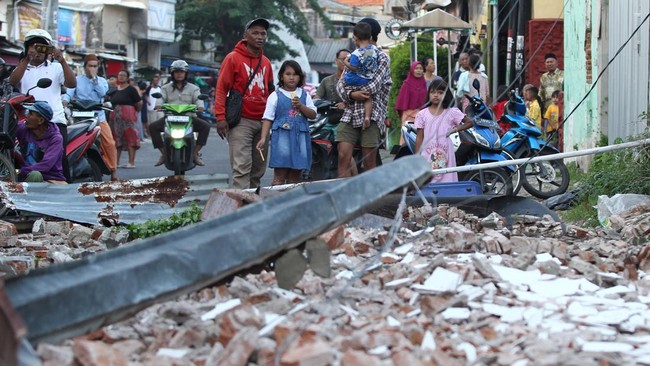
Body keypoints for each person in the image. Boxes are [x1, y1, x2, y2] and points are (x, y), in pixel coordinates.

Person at [8, 29, 76, 182]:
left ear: (48, 50)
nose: (36, 50)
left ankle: (65, 189)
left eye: (40, 47)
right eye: (32, 46)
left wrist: (62, 61)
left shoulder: (56, 67)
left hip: (55, 120)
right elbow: (12, 82)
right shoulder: (22, 68)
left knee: (60, 158)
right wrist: (25, 60)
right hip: (29, 120)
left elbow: (71, 83)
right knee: (21, 154)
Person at [214, 18, 275, 189]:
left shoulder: (266, 62)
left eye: (263, 33)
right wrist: (220, 117)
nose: (260, 37)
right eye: (255, 33)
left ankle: (251, 207)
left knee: (258, 170)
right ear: (245, 36)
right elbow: (221, 89)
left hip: (263, 122)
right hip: (241, 121)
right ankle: (240, 210)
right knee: (242, 168)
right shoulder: (232, 58)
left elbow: (271, 93)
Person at [336, 17, 391, 178]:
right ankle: (343, 198)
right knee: (343, 155)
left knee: (369, 162)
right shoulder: (354, 55)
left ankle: (371, 201)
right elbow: (340, 86)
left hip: (372, 115)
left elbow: (373, 87)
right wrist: (352, 94)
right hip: (350, 113)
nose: (355, 37)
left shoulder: (382, 57)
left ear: (369, 35)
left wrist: (353, 92)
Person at [256, 60, 316, 185]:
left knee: (295, 177)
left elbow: (313, 115)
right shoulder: (275, 95)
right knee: (279, 176)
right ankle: (276, 201)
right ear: (281, 76)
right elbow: (268, 118)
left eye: (295, 74)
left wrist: (301, 106)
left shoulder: (305, 95)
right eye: (288, 74)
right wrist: (263, 138)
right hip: (282, 139)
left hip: (300, 139)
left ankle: (291, 202)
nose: (292, 77)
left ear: (300, 77)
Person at [63, 54, 118, 181]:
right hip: (79, 118)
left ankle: (113, 171)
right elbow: (68, 94)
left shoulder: (102, 81)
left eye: (95, 66)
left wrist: (94, 79)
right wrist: (65, 101)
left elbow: (102, 93)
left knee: (109, 142)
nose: (92, 68)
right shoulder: (76, 80)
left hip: (98, 116)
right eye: (90, 66)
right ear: (84, 67)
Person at [149, 59, 211, 166]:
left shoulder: (194, 88)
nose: (179, 74)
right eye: (176, 72)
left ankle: (195, 153)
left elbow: (198, 98)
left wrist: (200, 106)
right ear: (172, 73)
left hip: (189, 118)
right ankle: (163, 153)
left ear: (186, 73)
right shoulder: (165, 88)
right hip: (170, 117)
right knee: (152, 127)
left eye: (181, 72)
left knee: (206, 126)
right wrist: (158, 105)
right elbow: (161, 97)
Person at [414, 79, 474, 182]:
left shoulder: (451, 112)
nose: (436, 95)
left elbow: (469, 123)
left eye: (440, 92)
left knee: (447, 180)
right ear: (428, 94)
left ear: (446, 94)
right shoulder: (422, 114)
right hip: (428, 152)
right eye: (433, 92)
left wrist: (455, 129)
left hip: (446, 152)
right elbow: (419, 136)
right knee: (428, 182)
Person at [15, 101, 66, 182]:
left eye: (30, 114)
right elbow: (8, 130)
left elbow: (46, 165)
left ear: (40, 120)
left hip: (50, 179)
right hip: (26, 175)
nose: (26, 116)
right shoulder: (23, 128)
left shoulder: (55, 139)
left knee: (35, 175)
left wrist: (21, 171)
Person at [341, 22, 379, 129]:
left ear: (355, 38)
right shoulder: (373, 50)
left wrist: (346, 62)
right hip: (369, 78)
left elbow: (354, 67)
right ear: (370, 37)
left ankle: (352, 91)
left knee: (346, 78)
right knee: (368, 98)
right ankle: (367, 117)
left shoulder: (356, 53)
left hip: (358, 79)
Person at [109, 69, 142, 168]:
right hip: (116, 117)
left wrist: (134, 112)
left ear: (127, 78)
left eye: (123, 75)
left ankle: (131, 162)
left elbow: (139, 103)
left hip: (129, 116)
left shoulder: (131, 89)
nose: (121, 77)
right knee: (117, 139)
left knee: (130, 137)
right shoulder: (115, 89)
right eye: (120, 75)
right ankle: (116, 162)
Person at [395, 61, 428, 145]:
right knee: (407, 139)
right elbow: (401, 101)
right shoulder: (406, 84)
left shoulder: (424, 84)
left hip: (422, 115)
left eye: (420, 69)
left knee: (422, 138)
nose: (419, 71)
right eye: (416, 68)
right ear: (412, 70)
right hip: (408, 115)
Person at [314, 48, 350, 124]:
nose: (345, 62)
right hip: (327, 120)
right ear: (336, 60)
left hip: (347, 120)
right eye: (343, 59)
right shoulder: (326, 81)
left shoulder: (354, 81)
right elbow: (317, 98)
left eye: (348, 60)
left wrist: (345, 105)